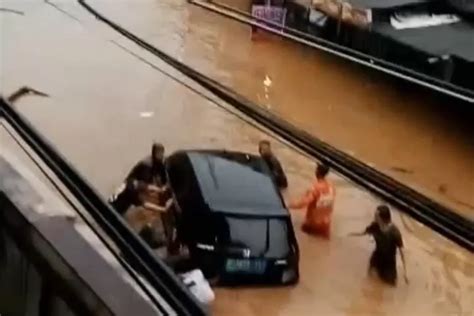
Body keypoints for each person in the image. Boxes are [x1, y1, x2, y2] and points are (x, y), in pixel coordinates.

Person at [349, 205, 408, 286]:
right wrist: (349, 234)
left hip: (389, 263)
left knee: (389, 285)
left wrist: (405, 272)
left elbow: (402, 252)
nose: (374, 217)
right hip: (376, 257)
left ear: (382, 218)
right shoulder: (374, 226)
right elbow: (362, 233)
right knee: (370, 279)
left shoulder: (394, 232)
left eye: (376, 216)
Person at [109, 142, 168, 215]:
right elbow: (145, 204)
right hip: (114, 208)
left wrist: (160, 190)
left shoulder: (133, 183)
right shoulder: (133, 190)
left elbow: (146, 187)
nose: (162, 156)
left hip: (121, 196)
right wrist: (163, 209)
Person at [288, 163, 335, 238]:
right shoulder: (331, 187)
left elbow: (303, 203)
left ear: (317, 171)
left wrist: (288, 205)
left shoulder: (315, 188)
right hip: (325, 226)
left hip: (312, 225)